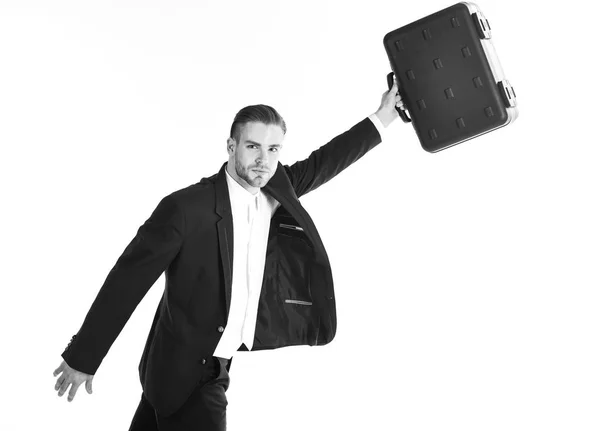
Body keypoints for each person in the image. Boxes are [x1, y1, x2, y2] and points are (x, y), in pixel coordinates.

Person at [53, 81, 403, 430]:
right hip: (192, 370)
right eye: (252, 147)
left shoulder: (276, 188)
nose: (263, 160)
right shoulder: (185, 209)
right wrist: (84, 356)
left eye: (273, 149)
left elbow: (327, 160)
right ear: (231, 146)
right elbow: (127, 280)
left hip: (179, 366)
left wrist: (384, 115)